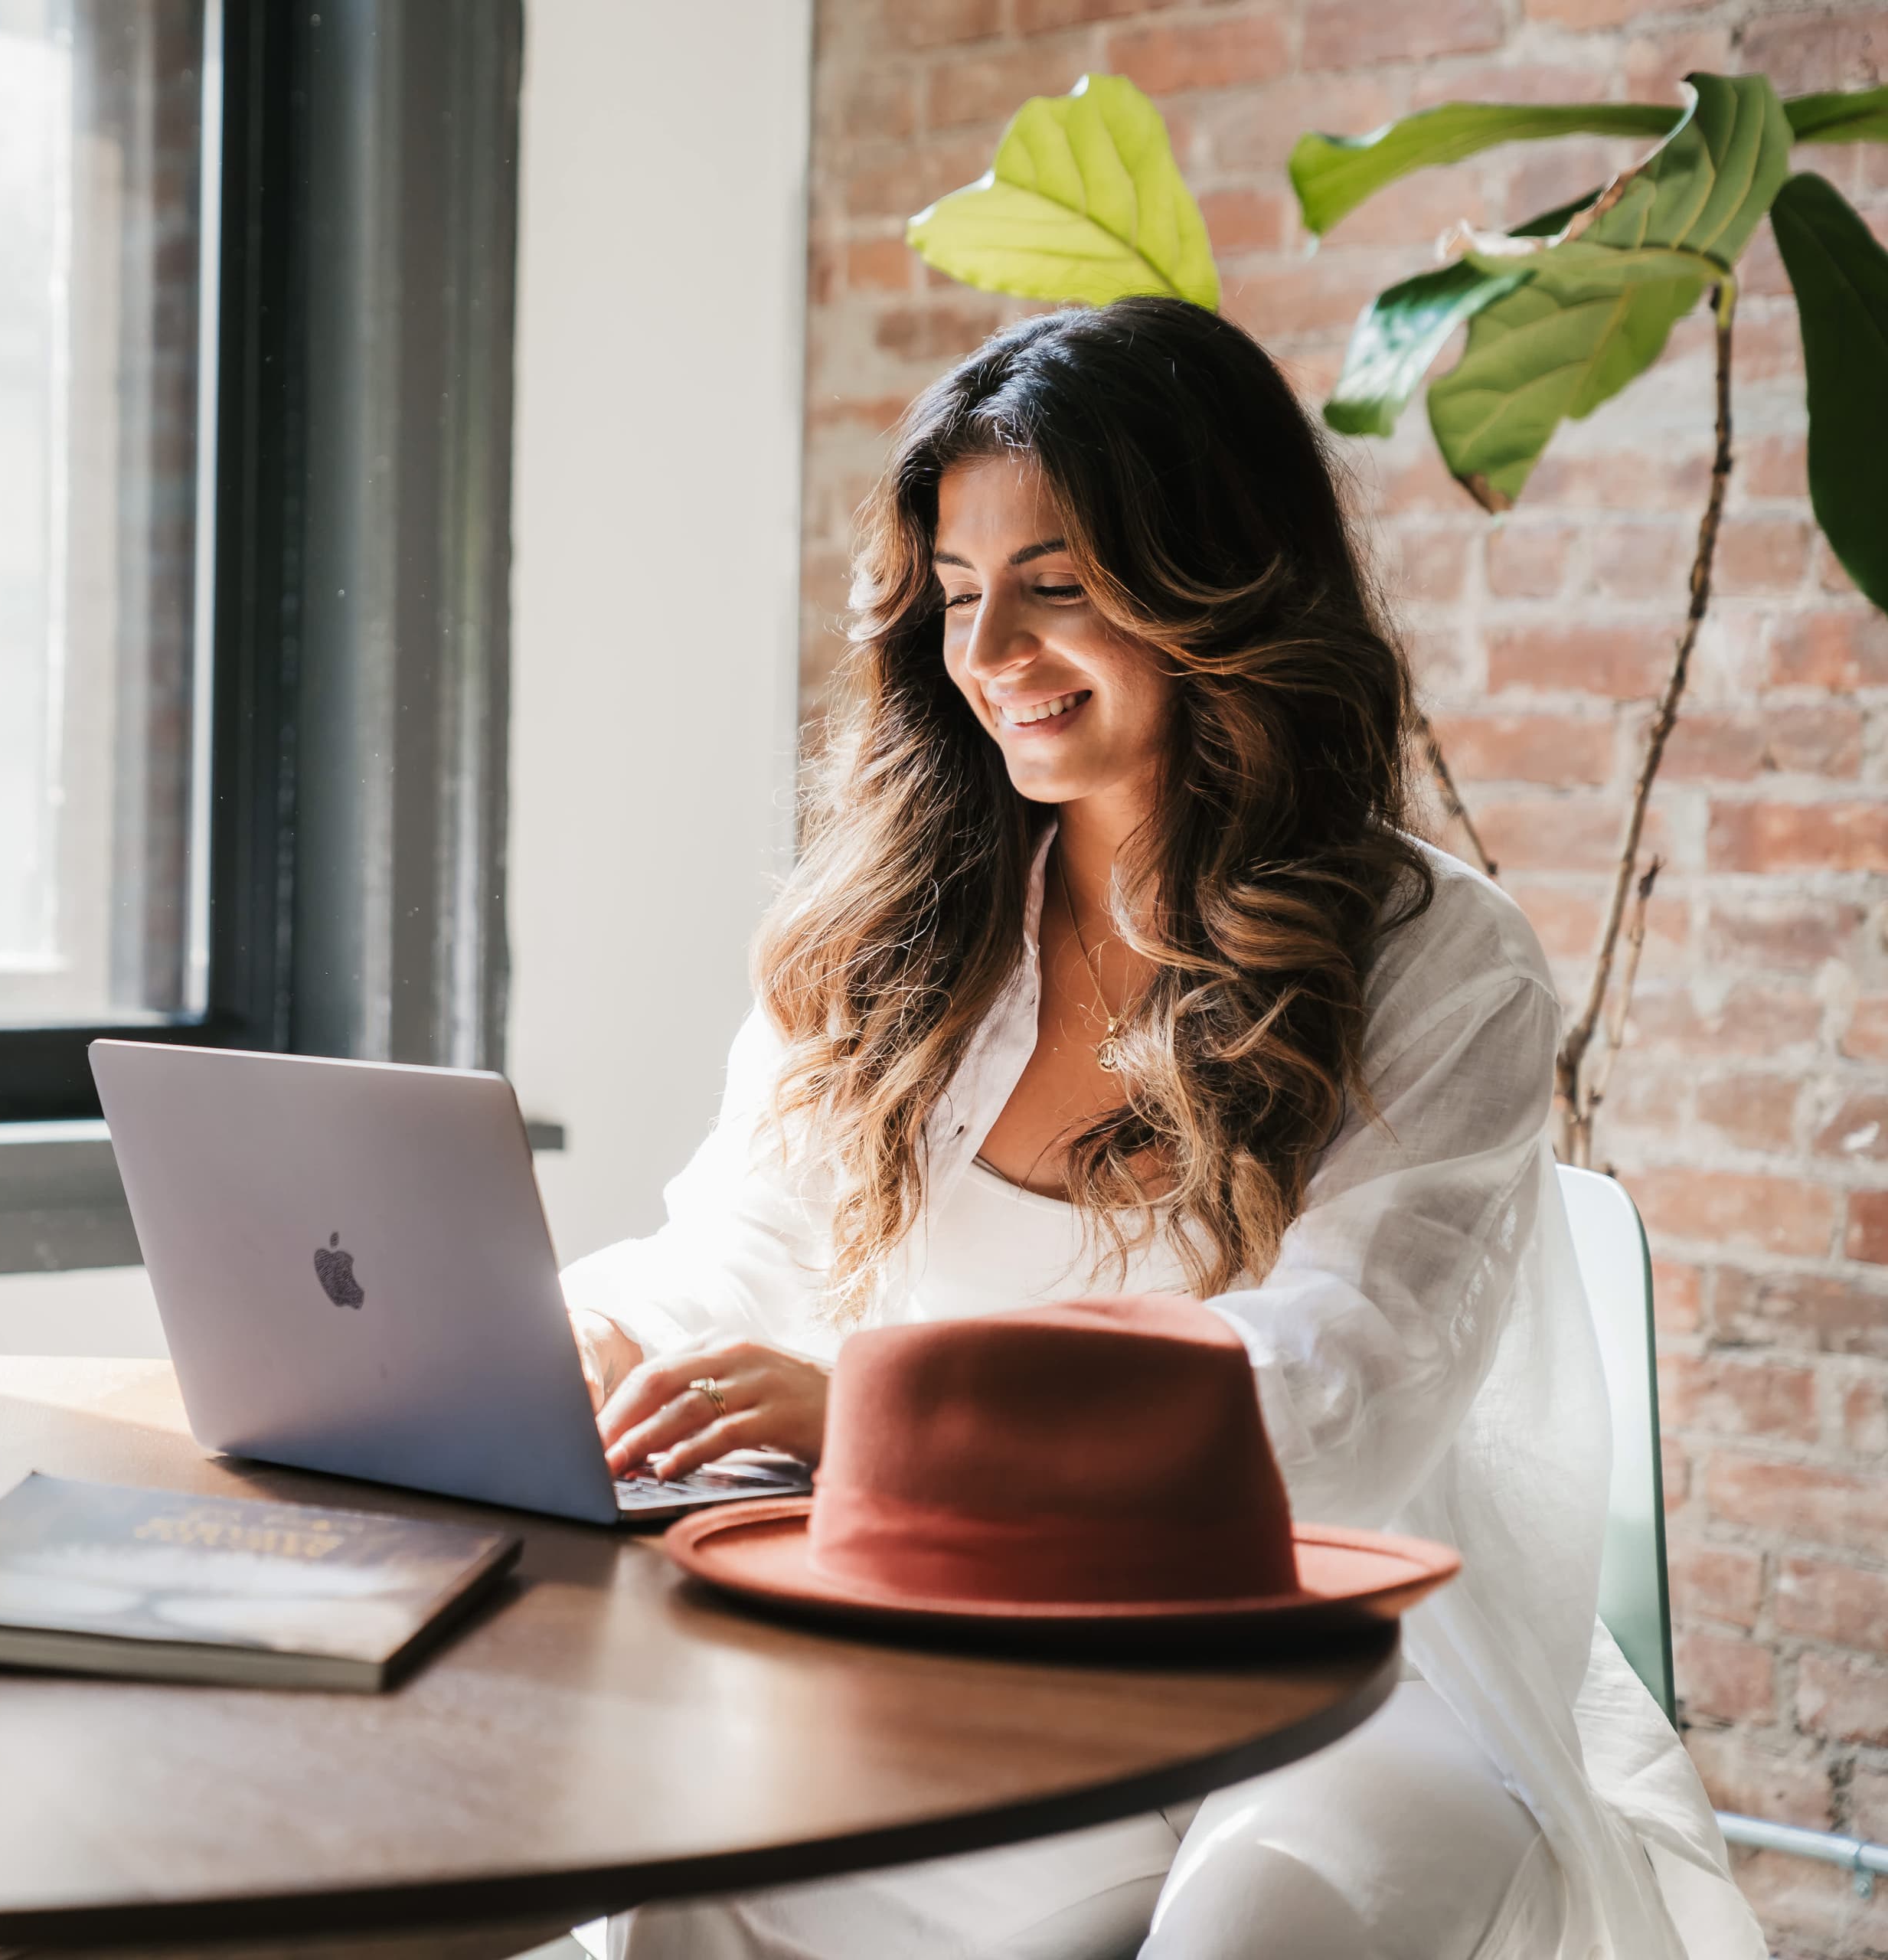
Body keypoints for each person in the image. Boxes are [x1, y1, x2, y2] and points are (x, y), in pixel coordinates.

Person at [562, 300, 1760, 1960]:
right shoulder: (889, 934)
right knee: (693, 1881)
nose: (992, 652)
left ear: (1222, 578)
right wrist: (595, 1338)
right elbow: (747, 1244)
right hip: (974, 1641)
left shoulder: (1437, 959)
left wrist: (878, 1428)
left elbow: (1337, 1387)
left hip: (1353, 1670)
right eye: (962, 595)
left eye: (1056, 585)